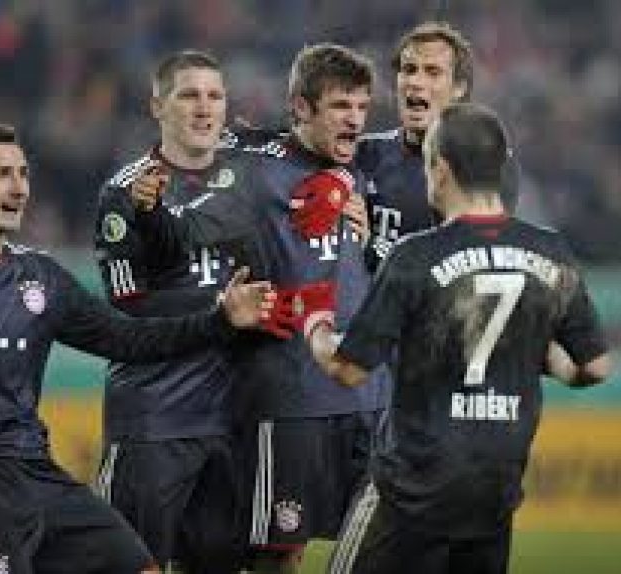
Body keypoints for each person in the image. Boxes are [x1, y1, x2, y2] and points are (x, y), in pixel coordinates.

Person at [0, 122, 277, 574]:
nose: (19, 188)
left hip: (36, 472)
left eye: (23, 174)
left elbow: (131, 340)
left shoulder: (41, 277)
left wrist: (220, 320)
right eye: (2, 174)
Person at [304, 103, 610, 574]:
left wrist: (316, 326)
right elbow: (596, 367)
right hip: (493, 493)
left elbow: (348, 369)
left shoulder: (416, 256)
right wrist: (540, 355)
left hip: (412, 492)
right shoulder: (551, 251)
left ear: (440, 169)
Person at [128, 44, 385, 573]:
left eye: (362, 107)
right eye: (341, 106)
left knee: (381, 545)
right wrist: (147, 206)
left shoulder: (354, 173)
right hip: (287, 390)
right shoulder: (248, 165)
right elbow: (189, 168)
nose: (355, 120)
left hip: (364, 394)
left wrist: (351, 203)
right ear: (301, 107)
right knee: (274, 551)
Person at [92, 50, 245, 573]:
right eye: (189, 95)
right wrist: (222, 312)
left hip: (230, 417)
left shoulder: (247, 181)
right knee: (134, 565)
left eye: (215, 96)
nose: (204, 107)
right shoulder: (124, 192)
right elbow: (128, 309)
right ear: (157, 106)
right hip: (154, 417)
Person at [357, 20, 518, 272]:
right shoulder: (363, 154)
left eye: (432, 72)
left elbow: (468, 263)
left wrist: (372, 247)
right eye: (409, 70)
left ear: (459, 88)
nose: (415, 81)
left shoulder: (490, 162)